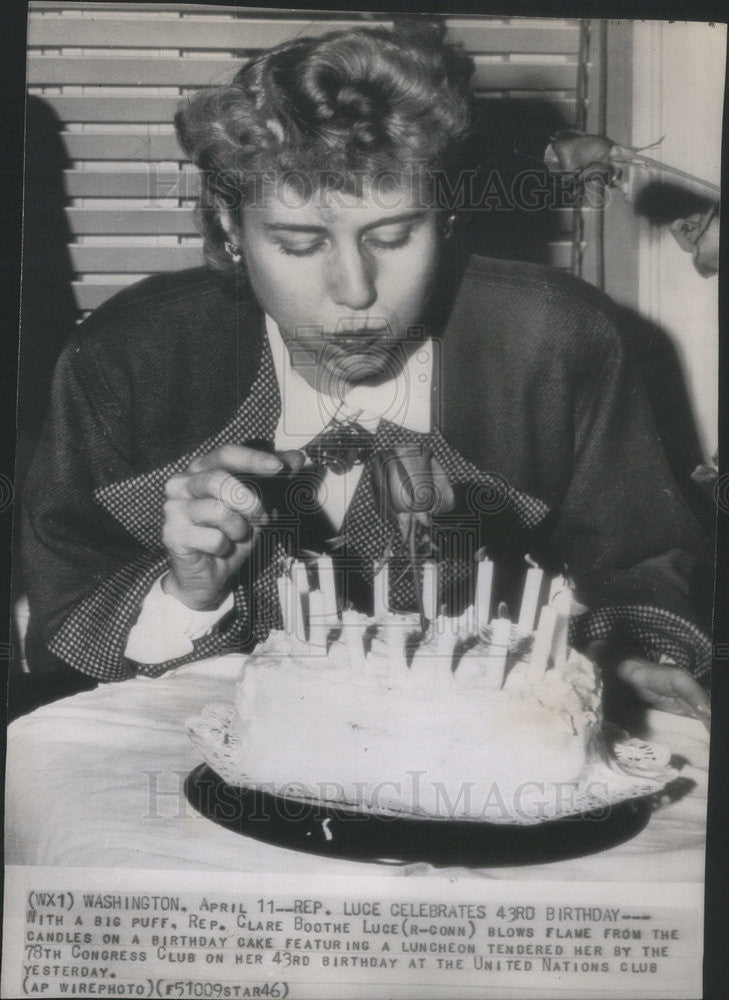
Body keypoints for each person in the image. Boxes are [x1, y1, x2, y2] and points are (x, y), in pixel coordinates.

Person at [22, 21, 712, 721]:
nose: (354, 291)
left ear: (444, 219)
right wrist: (184, 595)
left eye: (392, 235)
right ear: (229, 229)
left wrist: (621, 657)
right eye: (298, 243)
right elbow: (63, 634)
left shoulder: (558, 341)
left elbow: (639, 566)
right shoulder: (128, 361)